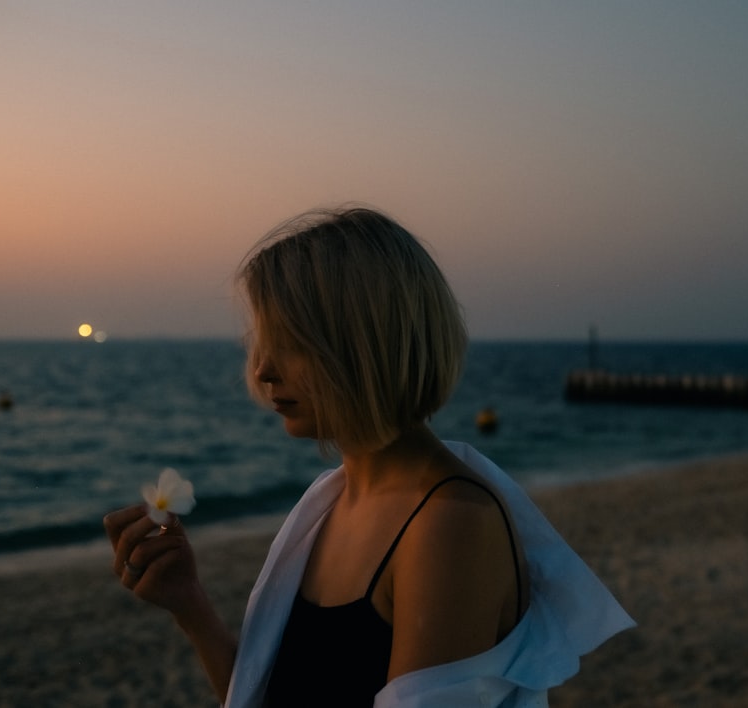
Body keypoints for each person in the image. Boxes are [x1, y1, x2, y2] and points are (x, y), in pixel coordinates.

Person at [104, 206, 634, 707]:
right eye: (261, 342)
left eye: (290, 343)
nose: (264, 370)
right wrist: (190, 607)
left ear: (363, 346)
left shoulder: (449, 524)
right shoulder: (330, 503)